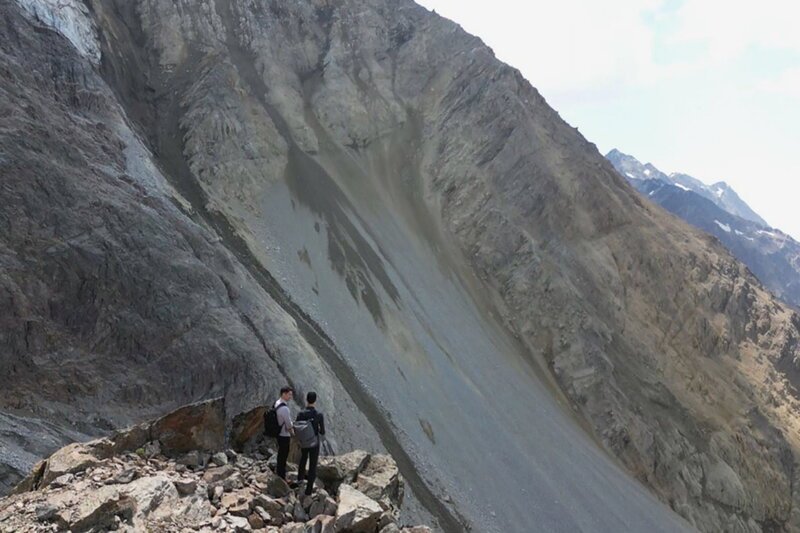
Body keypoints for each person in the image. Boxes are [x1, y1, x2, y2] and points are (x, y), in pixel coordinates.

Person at [295, 391, 325, 496]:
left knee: (303, 459)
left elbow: (297, 427)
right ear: (315, 401)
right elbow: (322, 431)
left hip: (304, 441)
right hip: (314, 443)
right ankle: (309, 490)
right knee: (313, 464)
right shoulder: (319, 415)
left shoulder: (301, 414)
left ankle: (300, 480)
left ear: (306, 400)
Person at [274, 386, 294, 480]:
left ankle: (278, 471)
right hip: (284, 435)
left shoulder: (277, 403)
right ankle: (281, 476)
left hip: (278, 433)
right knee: (284, 455)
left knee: (280, 454)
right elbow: (288, 424)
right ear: (284, 394)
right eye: (289, 394)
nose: (290, 397)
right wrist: (293, 433)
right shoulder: (285, 409)